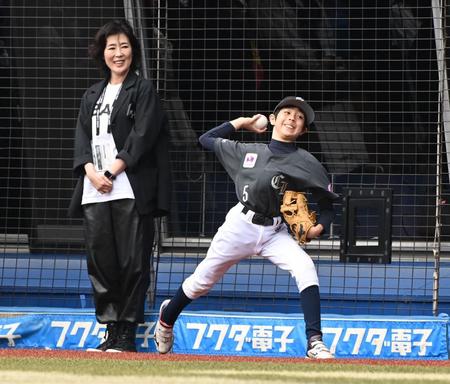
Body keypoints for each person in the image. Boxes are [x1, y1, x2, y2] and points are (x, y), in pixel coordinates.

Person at [154, 96, 339, 359]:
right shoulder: (247, 152)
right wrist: (241, 123)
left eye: (300, 117)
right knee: (201, 283)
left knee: (305, 267)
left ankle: (315, 342)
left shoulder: (308, 163)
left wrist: (318, 227)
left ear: (304, 130)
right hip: (240, 225)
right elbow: (205, 140)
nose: (292, 118)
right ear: (273, 119)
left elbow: (328, 204)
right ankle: (166, 320)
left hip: (275, 232)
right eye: (287, 112)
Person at [70, 19, 171, 352]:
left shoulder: (143, 90)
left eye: (124, 46)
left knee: (133, 261)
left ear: (134, 51)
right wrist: (91, 172)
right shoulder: (92, 94)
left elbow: (142, 138)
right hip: (93, 188)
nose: (118, 53)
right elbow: (82, 139)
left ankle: (126, 333)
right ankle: (110, 329)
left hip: (128, 187)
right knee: (102, 261)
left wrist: (110, 173)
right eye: (111, 47)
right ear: (102, 52)